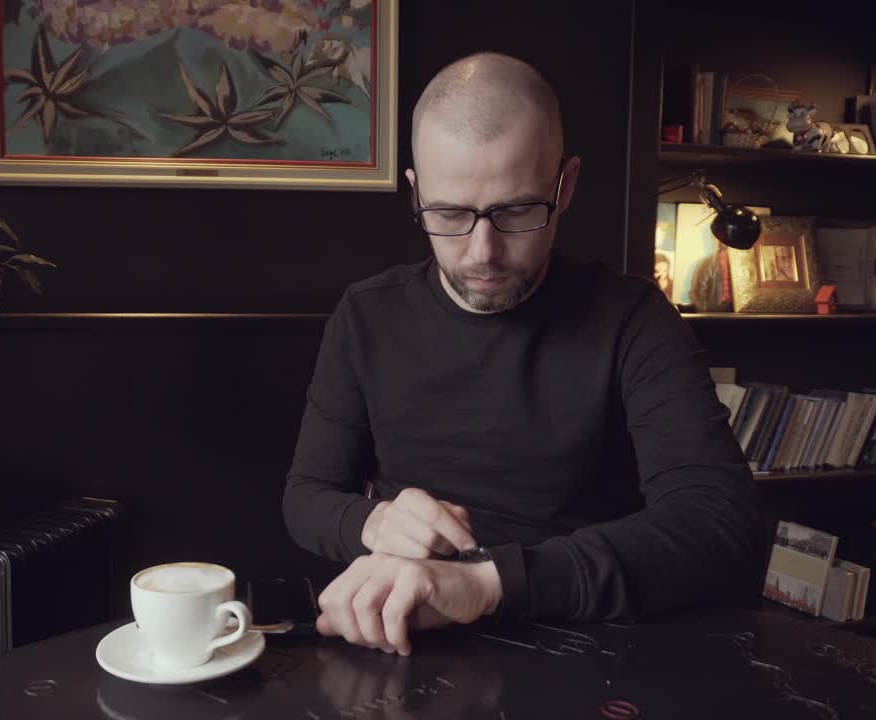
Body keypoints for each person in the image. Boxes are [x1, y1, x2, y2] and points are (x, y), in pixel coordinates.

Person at [282, 52, 765, 657]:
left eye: (516, 211)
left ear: (566, 187)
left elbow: (722, 524)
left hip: (591, 642)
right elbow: (306, 497)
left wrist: (488, 584)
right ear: (416, 192)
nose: (482, 252)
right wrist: (373, 523)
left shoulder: (633, 318)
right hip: (412, 639)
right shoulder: (366, 315)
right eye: (449, 213)